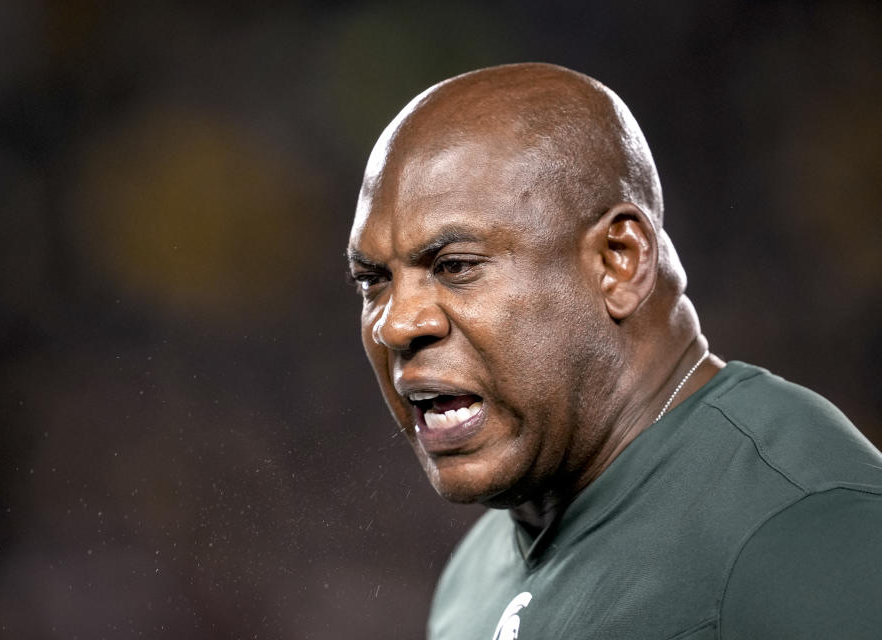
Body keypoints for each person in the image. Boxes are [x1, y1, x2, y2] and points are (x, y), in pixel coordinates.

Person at [346, 63, 882, 639]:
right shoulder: (472, 577)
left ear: (618, 261)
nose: (397, 324)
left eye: (456, 267)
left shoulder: (812, 534)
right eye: (373, 281)